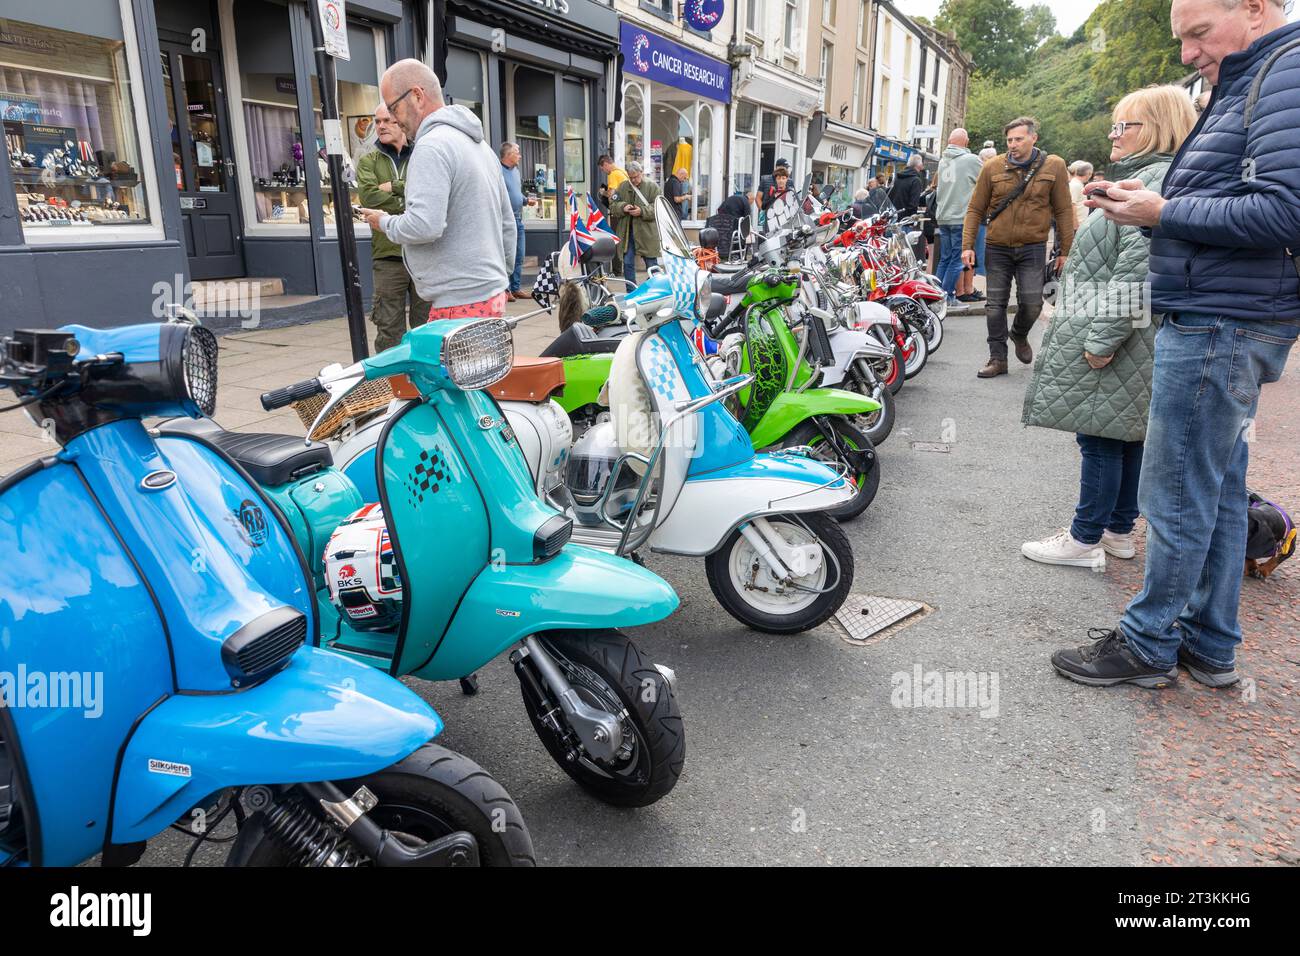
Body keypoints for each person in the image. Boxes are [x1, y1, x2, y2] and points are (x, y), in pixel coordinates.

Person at [1050, 0, 1300, 689]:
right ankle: (1210, 644)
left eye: (1197, 33)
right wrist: (1153, 204)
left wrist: (1162, 211)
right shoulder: (1259, 73)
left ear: (1253, 8)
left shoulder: (1283, 70)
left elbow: (1286, 209)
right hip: (1231, 312)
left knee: (1179, 494)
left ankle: (1148, 642)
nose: (1187, 53)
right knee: (1216, 490)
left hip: (1219, 319)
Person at [1021, 86, 1196, 573]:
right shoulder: (1159, 178)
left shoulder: (1148, 185)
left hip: (1121, 334)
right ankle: (1119, 530)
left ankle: (1084, 538)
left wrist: (1101, 341)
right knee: (1125, 434)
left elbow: (1134, 274)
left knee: (1099, 437)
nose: (1113, 134)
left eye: (1125, 125)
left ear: (1156, 127)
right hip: (1139, 335)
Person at [358, 59, 515, 324]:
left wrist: (383, 222)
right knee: (484, 366)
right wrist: (500, 278)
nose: (393, 118)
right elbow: (507, 223)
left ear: (417, 96)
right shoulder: (481, 147)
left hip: (458, 300)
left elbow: (424, 226)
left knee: (444, 366)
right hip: (489, 293)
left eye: (394, 107)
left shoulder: (431, 146)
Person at [961, 116, 1074, 378]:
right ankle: (997, 359)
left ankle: (1019, 334)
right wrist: (968, 245)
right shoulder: (992, 167)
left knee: (1033, 303)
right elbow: (975, 208)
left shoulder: (1054, 166)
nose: (1013, 144)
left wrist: (1066, 250)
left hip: (1033, 247)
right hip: (997, 247)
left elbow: (1064, 210)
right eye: (1009, 140)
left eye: (1018, 139)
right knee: (995, 305)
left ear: (1033, 138)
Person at [355, 103, 430, 352]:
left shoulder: (423, 155)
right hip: (388, 255)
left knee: (426, 326)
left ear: (400, 121)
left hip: (423, 253)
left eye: (387, 120)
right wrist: (407, 197)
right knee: (389, 328)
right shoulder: (368, 161)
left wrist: (393, 186)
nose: (381, 126)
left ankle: (423, 384)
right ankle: (391, 385)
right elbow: (369, 198)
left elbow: (429, 198)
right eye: (377, 122)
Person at [935, 128, 984, 305]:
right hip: (961, 216)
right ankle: (947, 297)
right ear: (966, 142)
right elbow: (986, 181)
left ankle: (935, 296)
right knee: (957, 260)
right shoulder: (971, 160)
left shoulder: (942, 161)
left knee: (945, 259)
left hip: (943, 216)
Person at [609, 160, 661, 282]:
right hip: (628, 233)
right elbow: (612, 205)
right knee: (627, 263)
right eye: (630, 177)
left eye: (636, 177)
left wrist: (642, 211)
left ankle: (654, 290)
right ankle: (631, 291)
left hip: (647, 232)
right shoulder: (623, 186)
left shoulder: (652, 187)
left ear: (641, 173)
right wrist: (623, 207)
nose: (633, 180)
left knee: (651, 264)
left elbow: (659, 208)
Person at [499, 141, 536, 301]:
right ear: (508, 155)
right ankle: (505, 290)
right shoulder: (497, 171)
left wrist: (526, 200)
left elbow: (515, 193)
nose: (520, 156)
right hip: (504, 220)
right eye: (517, 152)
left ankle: (515, 288)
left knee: (519, 255)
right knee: (506, 254)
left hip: (518, 218)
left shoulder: (516, 171)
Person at [598, 154, 628, 276]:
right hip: (626, 209)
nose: (604, 171)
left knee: (615, 239)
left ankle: (616, 270)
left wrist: (602, 192)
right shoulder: (623, 172)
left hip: (618, 212)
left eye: (602, 169)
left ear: (605, 164)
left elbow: (612, 194)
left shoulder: (613, 174)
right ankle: (622, 268)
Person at [1068, 160, 1094, 232]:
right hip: (1076, 225)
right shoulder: (1075, 185)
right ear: (1088, 173)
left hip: (1080, 224)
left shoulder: (1078, 184)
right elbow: (1072, 205)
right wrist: (1075, 225)